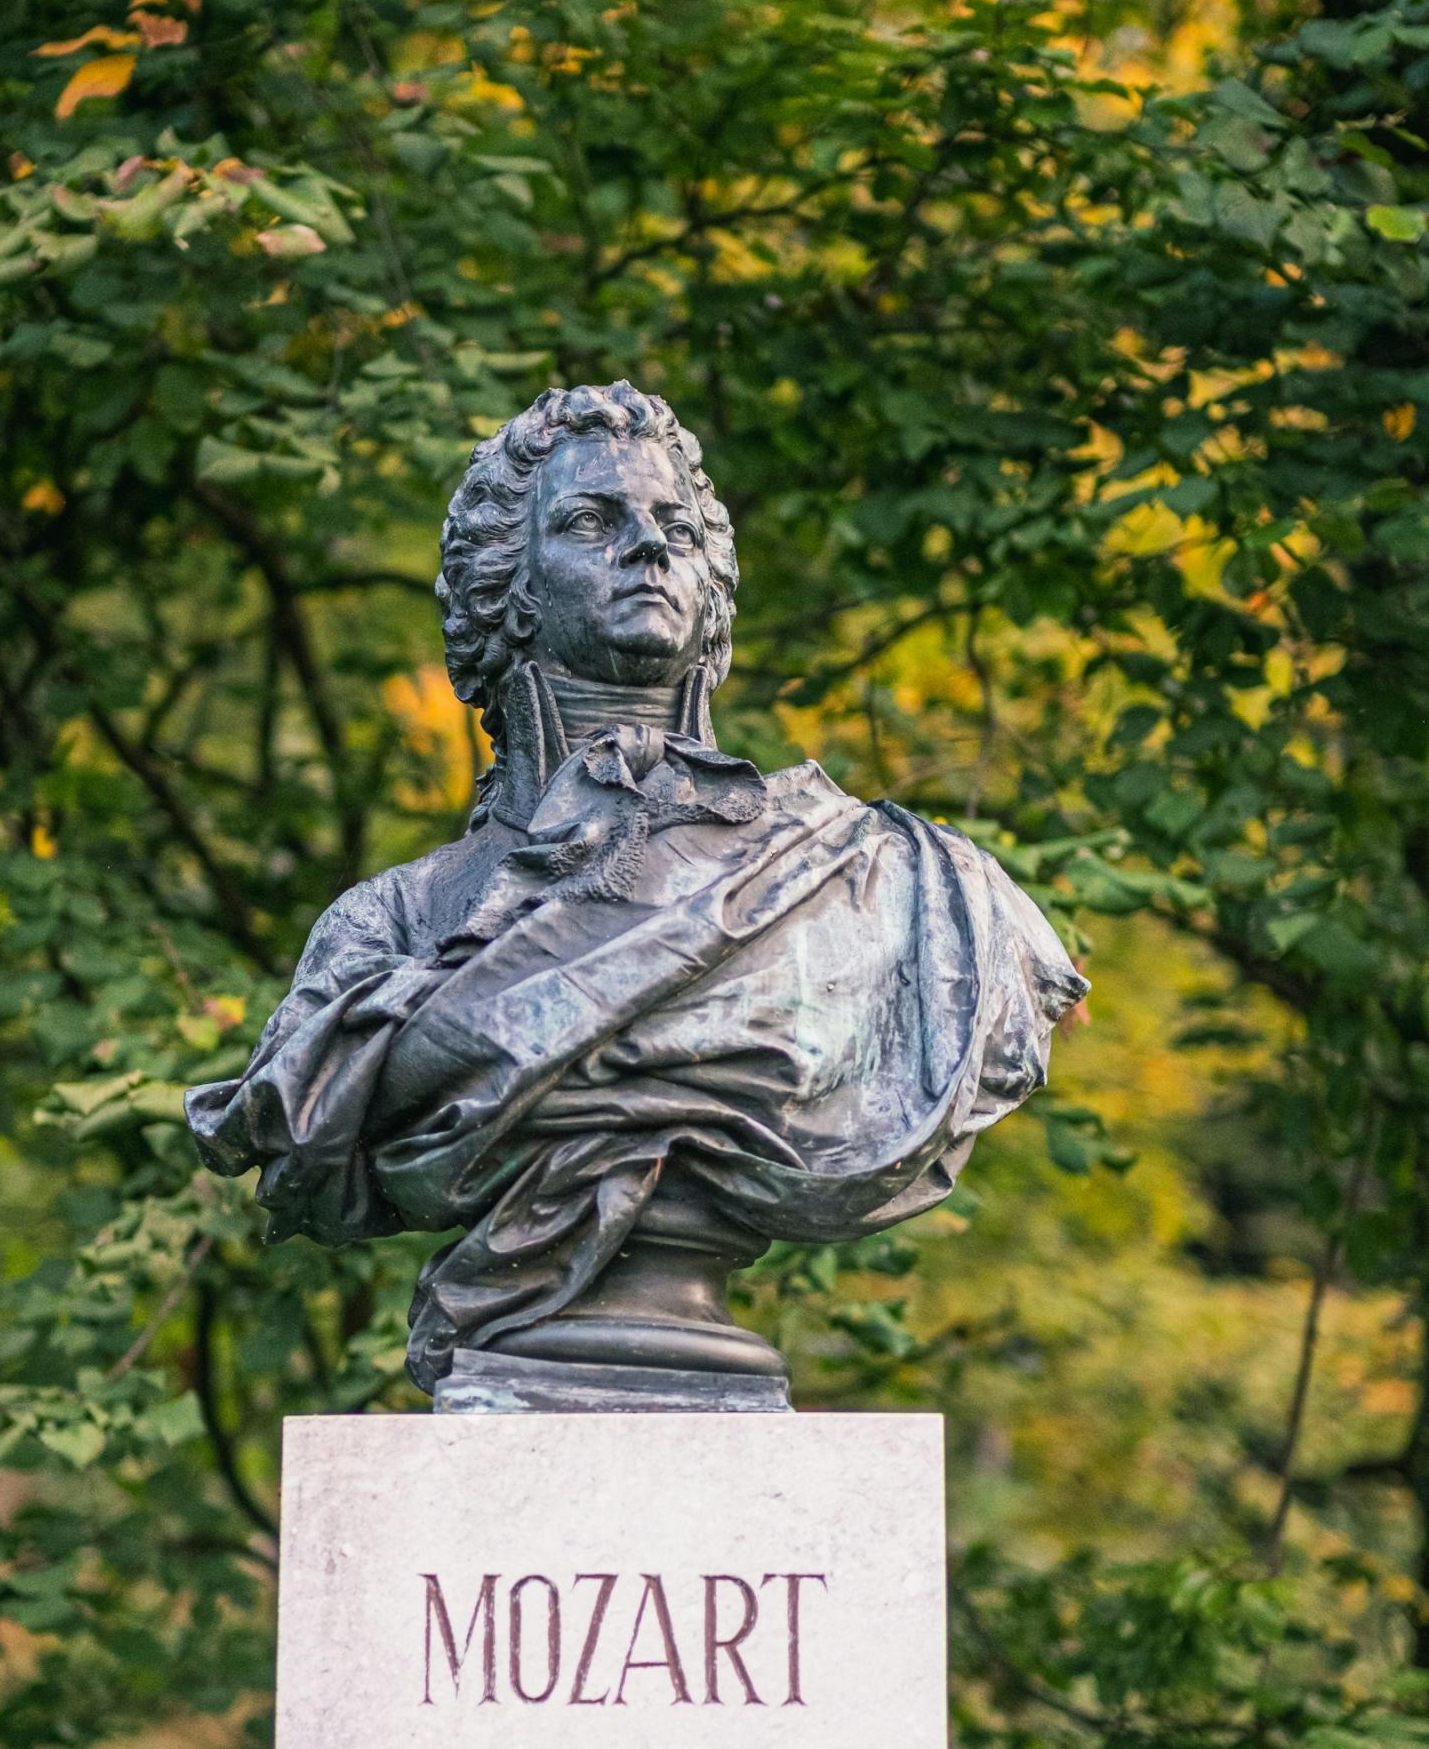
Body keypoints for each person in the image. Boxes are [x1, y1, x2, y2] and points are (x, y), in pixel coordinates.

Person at [186, 380, 1086, 1401]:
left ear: (710, 586)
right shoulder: (391, 926)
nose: (650, 549)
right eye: (590, 521)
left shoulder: (901, 890)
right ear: (507, 589)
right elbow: (300, 1118)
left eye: (675, 527)